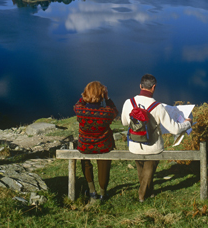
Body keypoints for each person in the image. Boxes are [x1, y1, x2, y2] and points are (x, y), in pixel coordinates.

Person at [121, 74, 192, 202]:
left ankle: (150, 192)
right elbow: (175, 129)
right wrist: (188, 123)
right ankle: (142, 195)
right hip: (153, 146)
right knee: (148, 171)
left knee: (141, 170)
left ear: (140, 86)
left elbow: (125, 123)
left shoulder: (128, 102)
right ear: (154, 87)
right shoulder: (158, 107)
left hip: (134, 144)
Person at [74, 81, 118, 203]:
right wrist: (107, 98)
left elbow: (78, 104)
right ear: (102, 95)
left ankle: (92, 191)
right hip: (103, 145)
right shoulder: (107, 113)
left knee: (86, 163)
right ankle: (103, 193)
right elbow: (115, 110)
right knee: (104, 165)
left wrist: (85, 96)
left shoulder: (80, 111)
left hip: (85, 145)